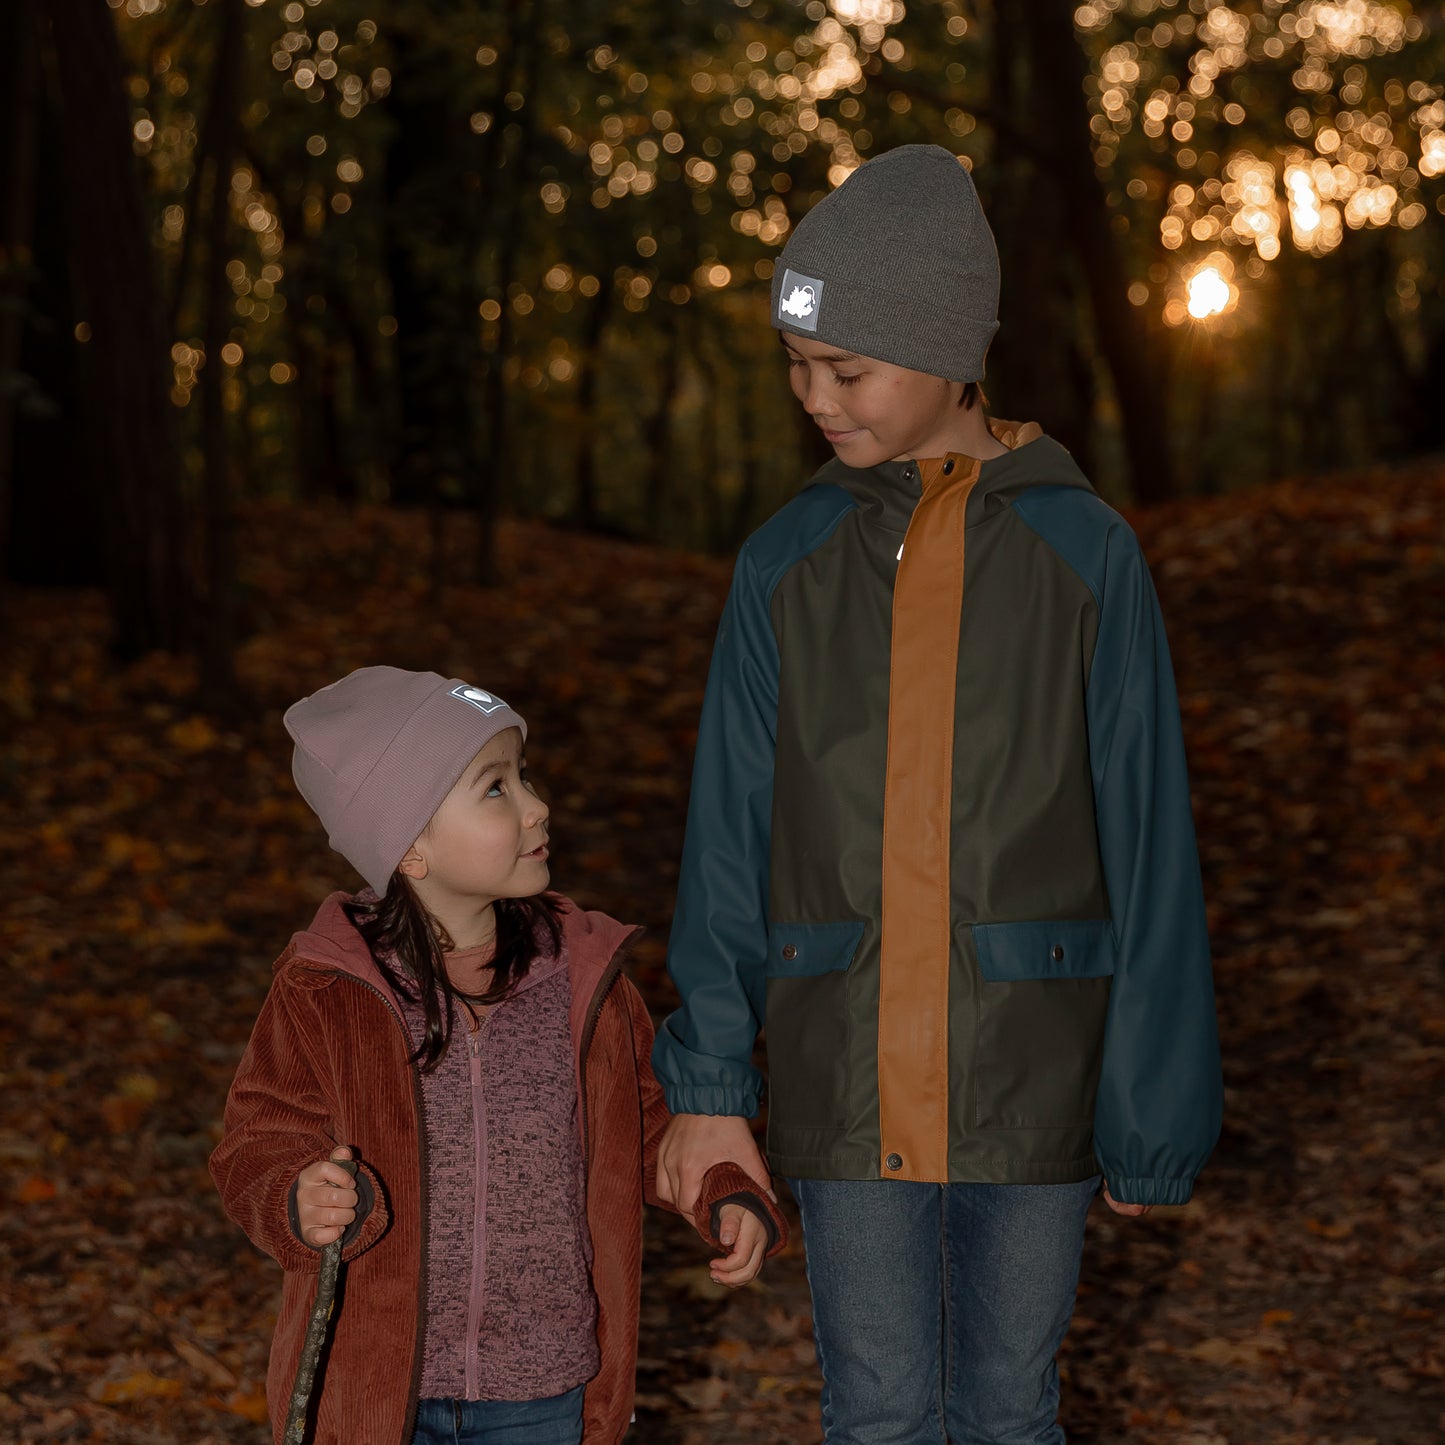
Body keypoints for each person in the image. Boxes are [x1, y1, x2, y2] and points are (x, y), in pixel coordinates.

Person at [650, 144, 1222, 1444]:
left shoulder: (1084, 554)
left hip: (1034, 1068)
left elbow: (1147, 836)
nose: (814, 395)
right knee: (877, 1409)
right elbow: (728, 839)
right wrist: (707, 1078)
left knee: (1009, 1406)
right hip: (841, 1071)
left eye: (846, 368)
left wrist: (1153, 1110)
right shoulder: (783, 562)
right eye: (797, 365)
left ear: (950, 348)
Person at [211, 666, 786, 1445]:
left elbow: (646, 1128)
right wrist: (292, 1196)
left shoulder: (584, 981)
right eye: (495, 788)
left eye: (524, 776)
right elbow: (256, 1139)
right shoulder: (326, 991)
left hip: (540, 1385)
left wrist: (719, 1189)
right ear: (409, 843)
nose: (536, 804)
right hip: (378, 1384)